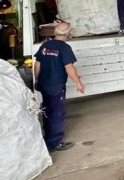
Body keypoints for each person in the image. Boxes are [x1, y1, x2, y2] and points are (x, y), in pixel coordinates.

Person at [34, 21, 85, 152]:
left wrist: (37, 80)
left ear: (55, 32)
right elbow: (69, 67)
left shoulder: (45, 45)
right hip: (56, 86)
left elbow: (37, 65)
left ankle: (47, 137)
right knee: (57, 114)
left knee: (47, 110)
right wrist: (78, 83)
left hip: (44, 84)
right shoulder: (64, 48)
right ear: (68, 34)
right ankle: (54, 143)